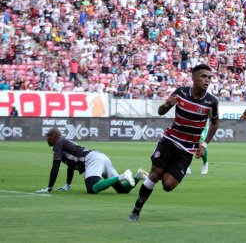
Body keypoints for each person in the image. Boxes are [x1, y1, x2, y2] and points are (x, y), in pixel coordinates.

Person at [127, 64, 219, 222]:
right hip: (169, 141)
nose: (207, 80)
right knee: (155, 175)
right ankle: (135, 211)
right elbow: (161, 112)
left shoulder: (211, 102)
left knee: (168, 185)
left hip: (187, 149)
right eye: (203, 76)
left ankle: (155, 173)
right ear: (194, 78)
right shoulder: (181, 92)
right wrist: (168, 103)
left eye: (209, 77)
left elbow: (215, 123)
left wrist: (204, 145)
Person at [36, 128, 147, 194]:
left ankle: (123, 176)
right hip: (100, 157)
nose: (47, 140)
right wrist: (67, 185)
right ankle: (138, 176)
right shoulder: (64, 143)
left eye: (48, 137)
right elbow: (70, 165)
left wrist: (49, 187)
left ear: (54, 137)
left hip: (92, 160)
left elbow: (55, 167)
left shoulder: (58, 143)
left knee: (92, 188)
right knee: (122, 190)